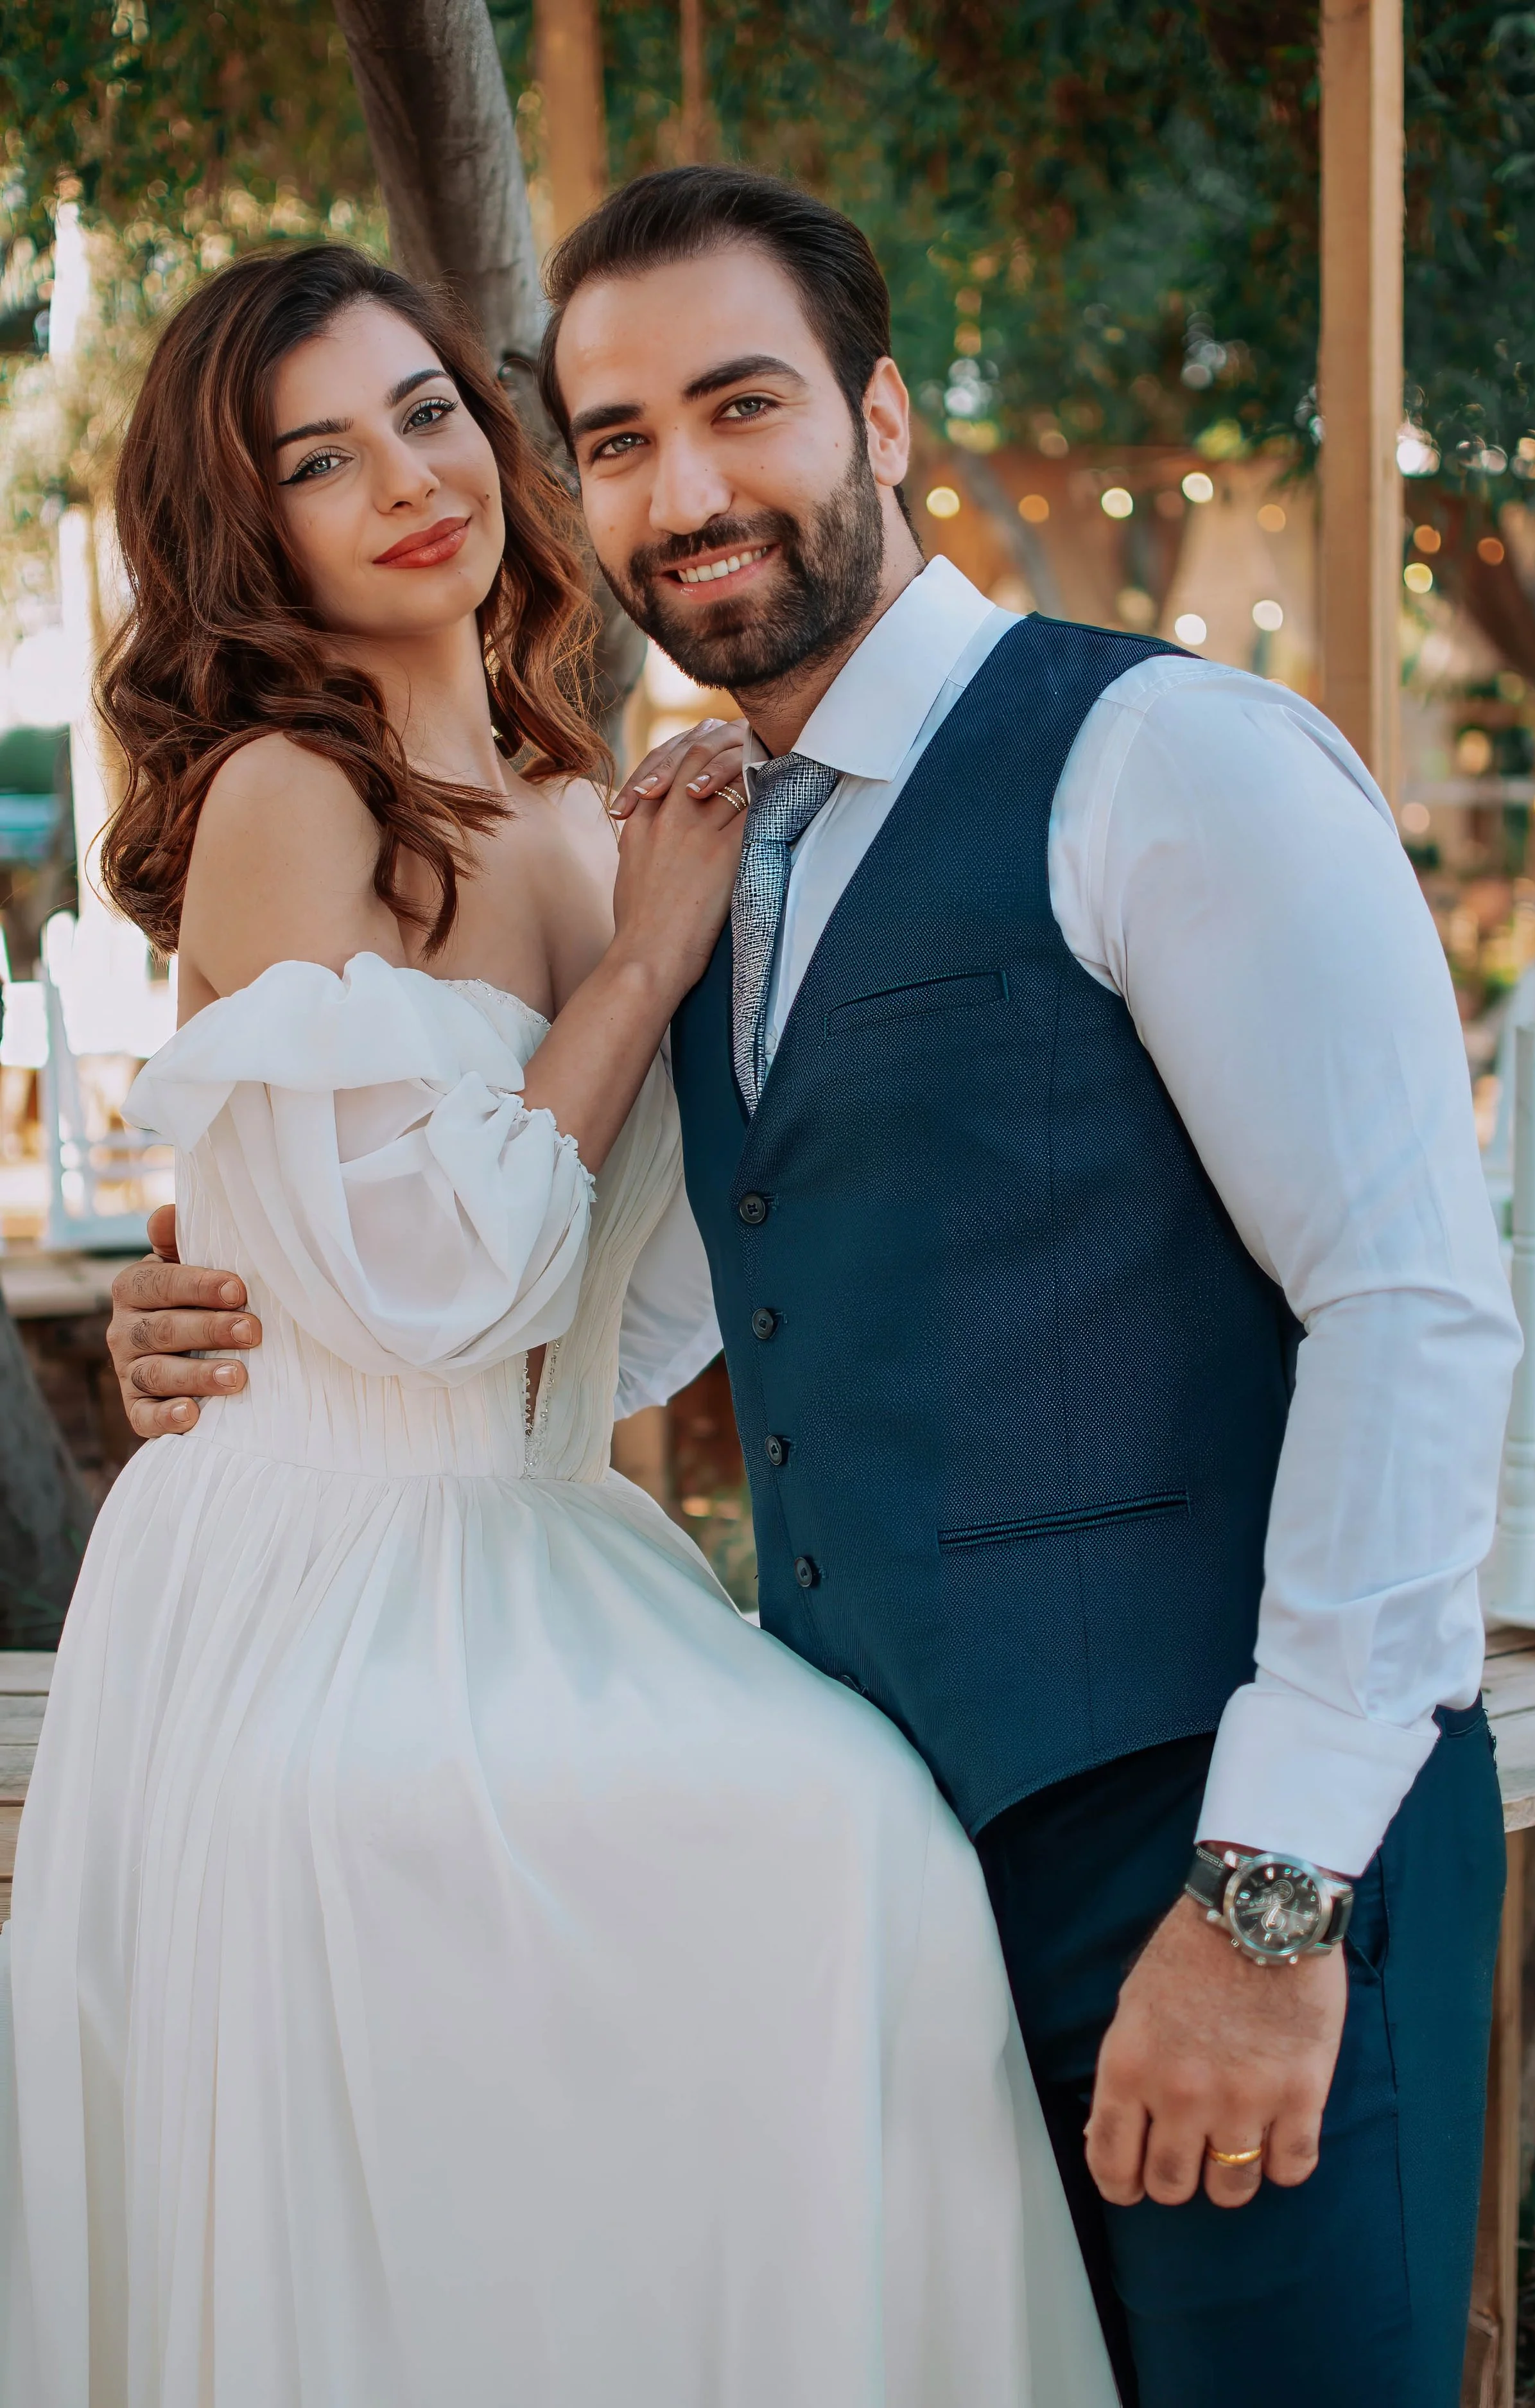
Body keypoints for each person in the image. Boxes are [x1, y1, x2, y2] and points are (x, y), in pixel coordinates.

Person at [106, 168, 1521, 2407]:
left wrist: (1266, 1899)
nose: (686, 487)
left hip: (1224, 1844)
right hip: (917, 1854)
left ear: (879, 418)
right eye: (621, 434)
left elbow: (1414, 1310)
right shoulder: (694, 838)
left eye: (742, 404)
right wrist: (245, 1294)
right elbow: (653, 1296)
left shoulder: (1168, 758)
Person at [1, 241, 1115, 2408]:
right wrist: (638, 971)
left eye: (428, 410)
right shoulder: (281, 796)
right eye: (319, 460)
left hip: (534, 1535)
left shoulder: (583, 795)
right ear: (255, 532)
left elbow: (638, 1298)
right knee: (794, 1856)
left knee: (863, 1846)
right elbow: (420, 1295)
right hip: (319, 1573)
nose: (409, 477)